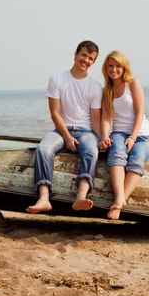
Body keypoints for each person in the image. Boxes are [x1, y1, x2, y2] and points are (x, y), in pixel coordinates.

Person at [26, 40, 102, 214]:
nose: (86, 60)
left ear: (93, 62)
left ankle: (81, 197)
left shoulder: (95, 87)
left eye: (91, 58)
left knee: (91, 150)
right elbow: (55, 114)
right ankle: (44, 197)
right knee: (43, 149)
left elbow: (96, 120)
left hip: (86, 131)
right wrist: (67, 137)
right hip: (61, 130)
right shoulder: (57, 79)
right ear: (75, 55)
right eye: (84, 55)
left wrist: (104, 138)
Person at [98, 50, 149, 220]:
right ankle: (120, 198)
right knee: (116, 152)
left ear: (124, 67)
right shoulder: (106, 89)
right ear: (105, 68)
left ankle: (119, 202)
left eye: (117, 66)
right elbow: (106, 118)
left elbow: (139, 113)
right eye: (110, 66)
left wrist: (132, 137)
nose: (114, 69)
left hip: (142, 135)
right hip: (118, 134)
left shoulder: (133, 84)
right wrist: (104, 136)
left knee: (136, 159)